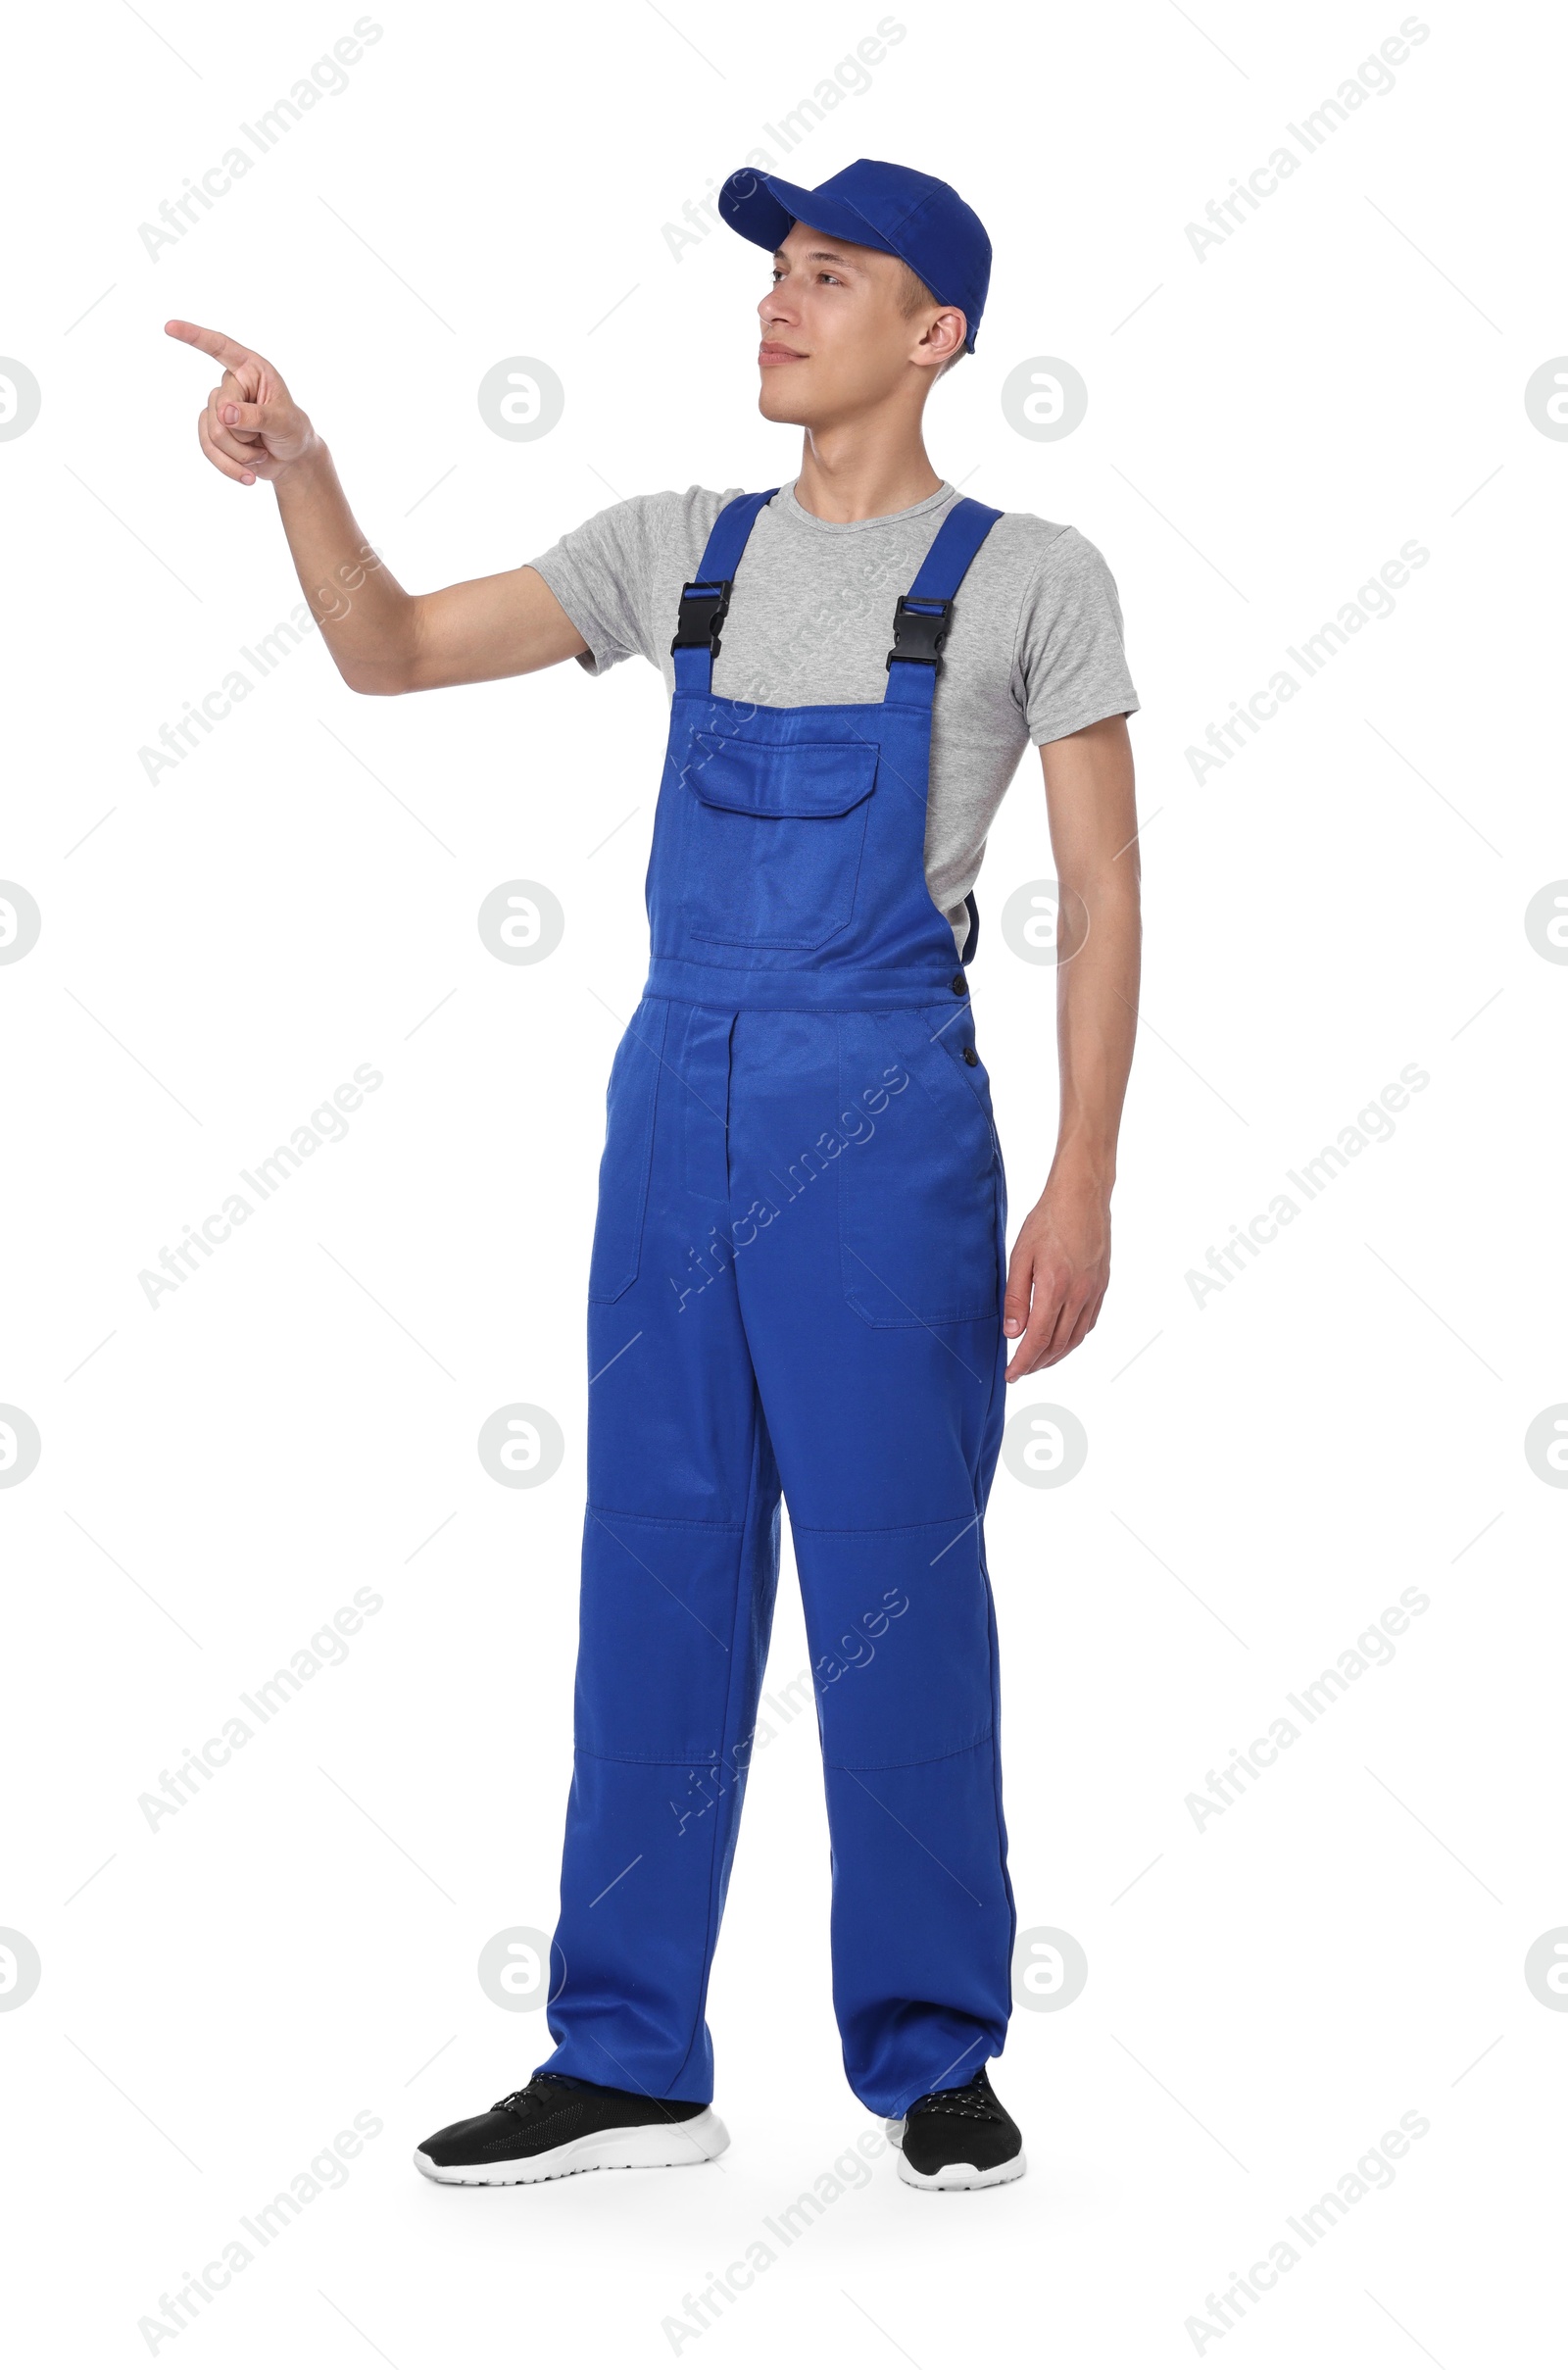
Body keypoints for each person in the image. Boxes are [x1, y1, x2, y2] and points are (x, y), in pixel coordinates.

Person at [169, 156, 1140, 2194]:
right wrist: (303, 477)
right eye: (772, 271)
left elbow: (1105, 892)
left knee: (896, 1589)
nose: (778, 303)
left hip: (886, 1121)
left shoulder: (1031, 575)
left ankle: (931, 2055)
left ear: (933, 331)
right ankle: (625, 2055)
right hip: (669, 1098)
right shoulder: (670, 548)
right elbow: (396, 650)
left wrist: (1078, 1185)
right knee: (656, 1570)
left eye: (829, 275)